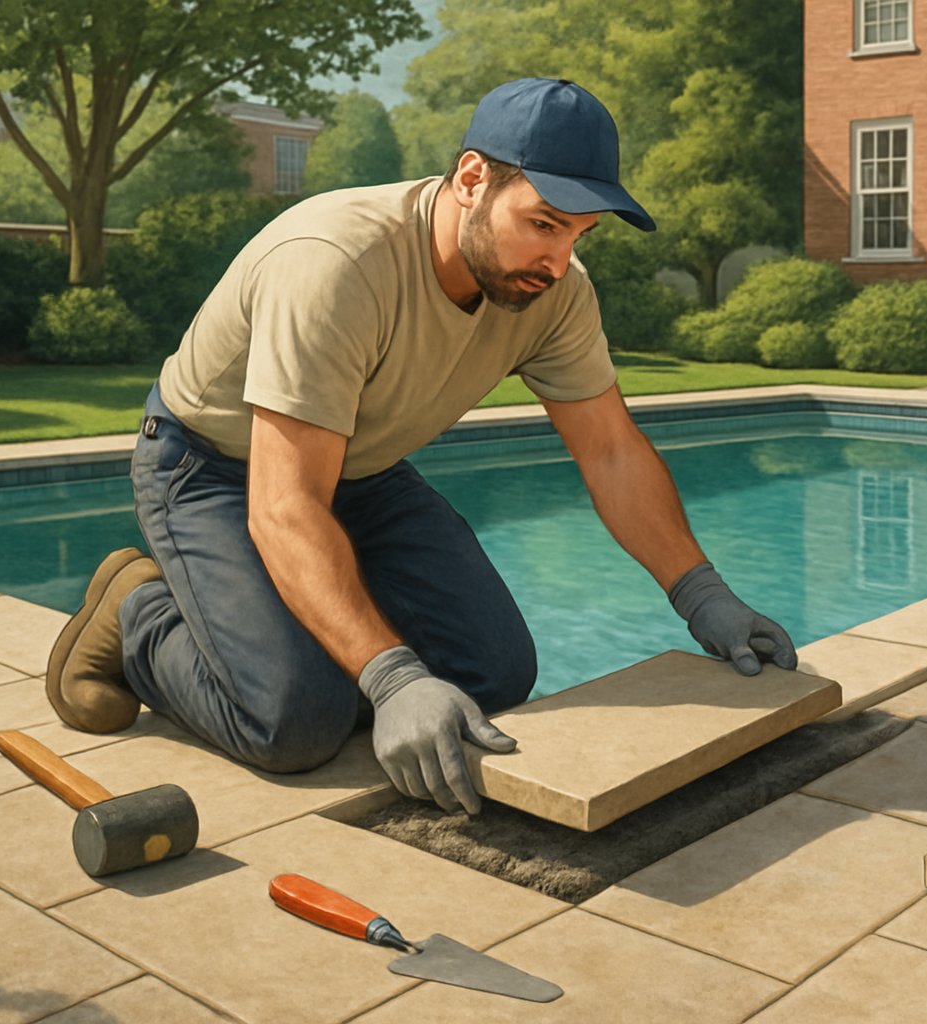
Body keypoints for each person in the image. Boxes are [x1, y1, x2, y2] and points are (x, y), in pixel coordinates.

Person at [45, 77, 796, 816]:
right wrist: (391, 676)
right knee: (295, 721)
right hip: (210, 468)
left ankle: (296, 642)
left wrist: (702, 594)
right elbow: (283, 505)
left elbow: (610, 451)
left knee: (494, 673)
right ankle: (136, 610)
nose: (560, 261)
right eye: (543, 223)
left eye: (579, 233)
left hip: (363, 472)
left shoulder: (554, 292)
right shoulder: (334, 264)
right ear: (472, 179)